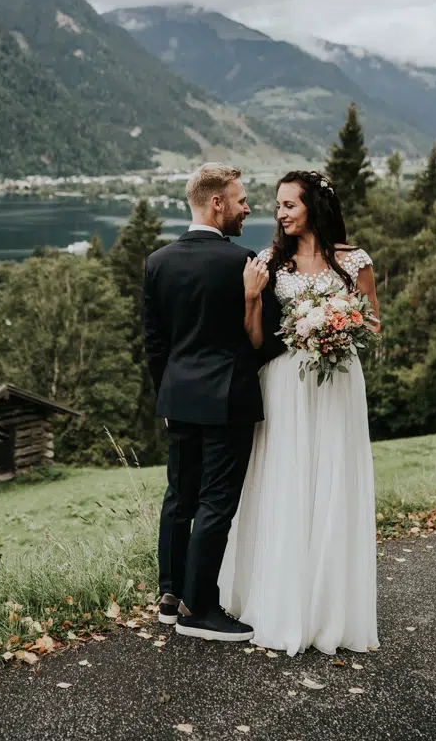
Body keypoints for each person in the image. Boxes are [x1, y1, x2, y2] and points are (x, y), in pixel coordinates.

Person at [219, 169, 381, 656]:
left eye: (290, 204)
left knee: (333, 481)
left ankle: (330, 607)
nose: (280, 213)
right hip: (287, 383)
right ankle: (279, 601)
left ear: (314, 205)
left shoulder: (354, 261)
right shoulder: (269, 261)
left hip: (338, 384)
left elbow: (373, 324)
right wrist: (250, 298)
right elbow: (255, 338)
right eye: (277, 205)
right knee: (285, 481)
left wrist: (337, 327)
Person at [143, 163, 282, 642]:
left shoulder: (157, 262)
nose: (248, 208)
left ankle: (169, 596)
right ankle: (200, 609)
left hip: (179, 399)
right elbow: (267, 345)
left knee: (179, 498)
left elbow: (155, 344)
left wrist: (170, 396)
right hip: (228, 401)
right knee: (216, 504)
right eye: (241, 200)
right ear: (216, 203)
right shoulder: (246, 263)